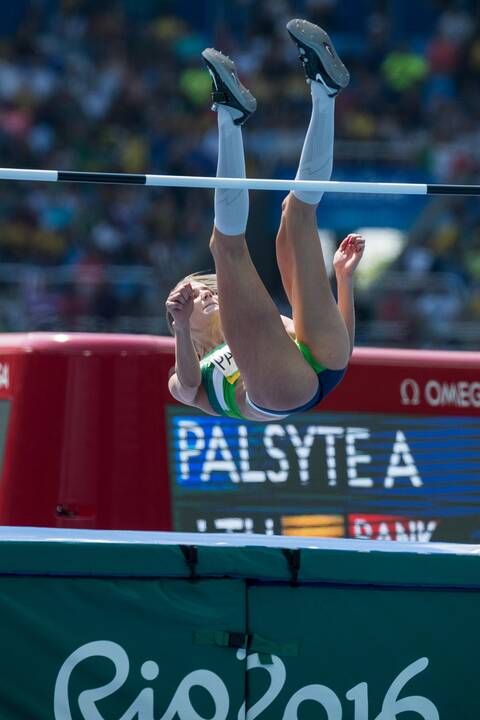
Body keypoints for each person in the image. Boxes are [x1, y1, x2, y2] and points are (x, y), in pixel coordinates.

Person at [166, 19, 365, 421]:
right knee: (225, 248)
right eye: (195, 297)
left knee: (295, 215)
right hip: (283, 392)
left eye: (203, 292)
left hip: (321, 357)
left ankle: (323, 93)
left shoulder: (254, 321)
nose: (205, 295)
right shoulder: (192, 373)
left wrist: (340, 277)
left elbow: (337, 343)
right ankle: (228, 115)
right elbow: (185, 387)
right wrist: (183, 327)